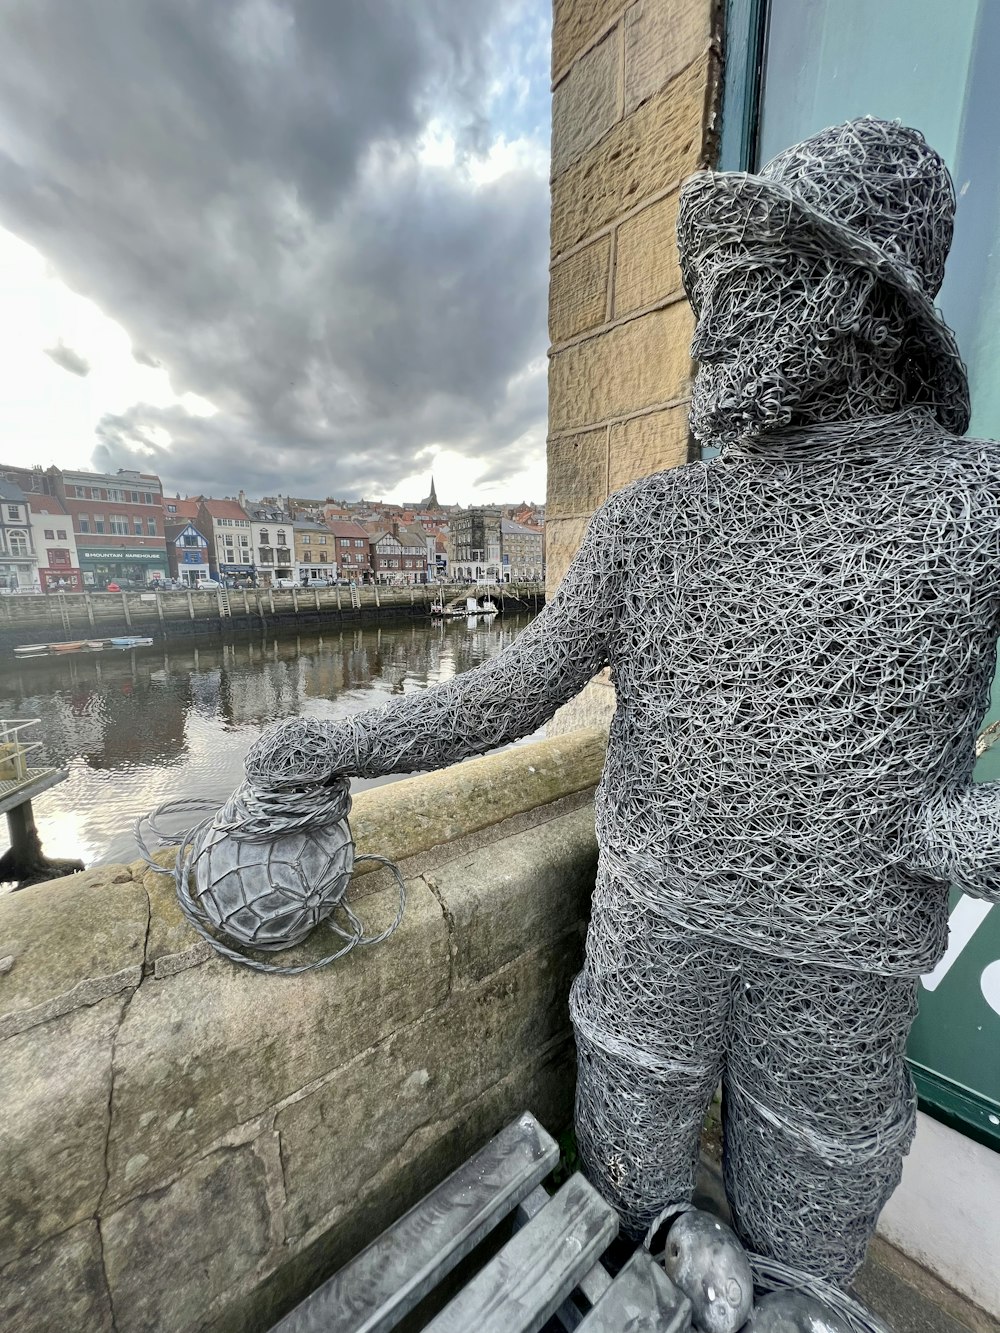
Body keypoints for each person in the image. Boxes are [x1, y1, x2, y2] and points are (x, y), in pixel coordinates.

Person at [244, 120, 1000, 1286]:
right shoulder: (653, 522)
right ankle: (660, 1247)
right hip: (655, 926)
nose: (719, 304)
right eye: (721, 272)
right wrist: (333, 745)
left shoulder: (978, 509)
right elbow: (513, 688)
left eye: (767, 271)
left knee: (808, 1245)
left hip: (841, 972)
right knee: (621, 1201)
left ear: (866, 304)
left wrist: (949, 830)